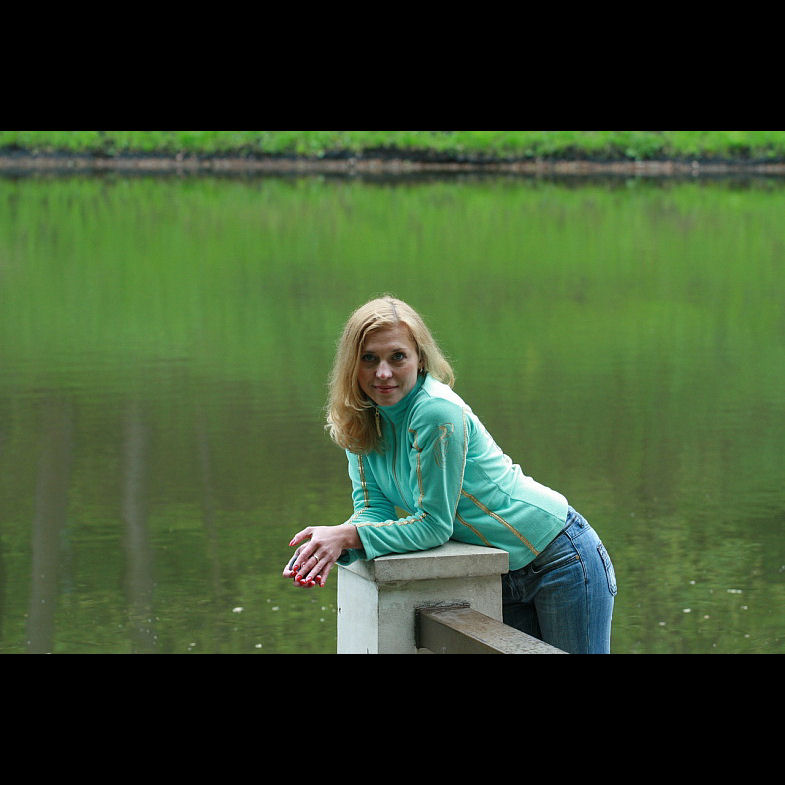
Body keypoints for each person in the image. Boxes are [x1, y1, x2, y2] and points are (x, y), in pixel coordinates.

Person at [283, 296, 617, 654]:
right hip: (499, 572)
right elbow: (373, 511)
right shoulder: (360, 420)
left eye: (397, 357)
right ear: (353, 363)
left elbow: (433, 525)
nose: (383, 373)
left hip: (559, 558)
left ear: (420, 359)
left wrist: (348, 536)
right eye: (369, 358)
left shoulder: (435, 412)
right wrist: (329, 547)